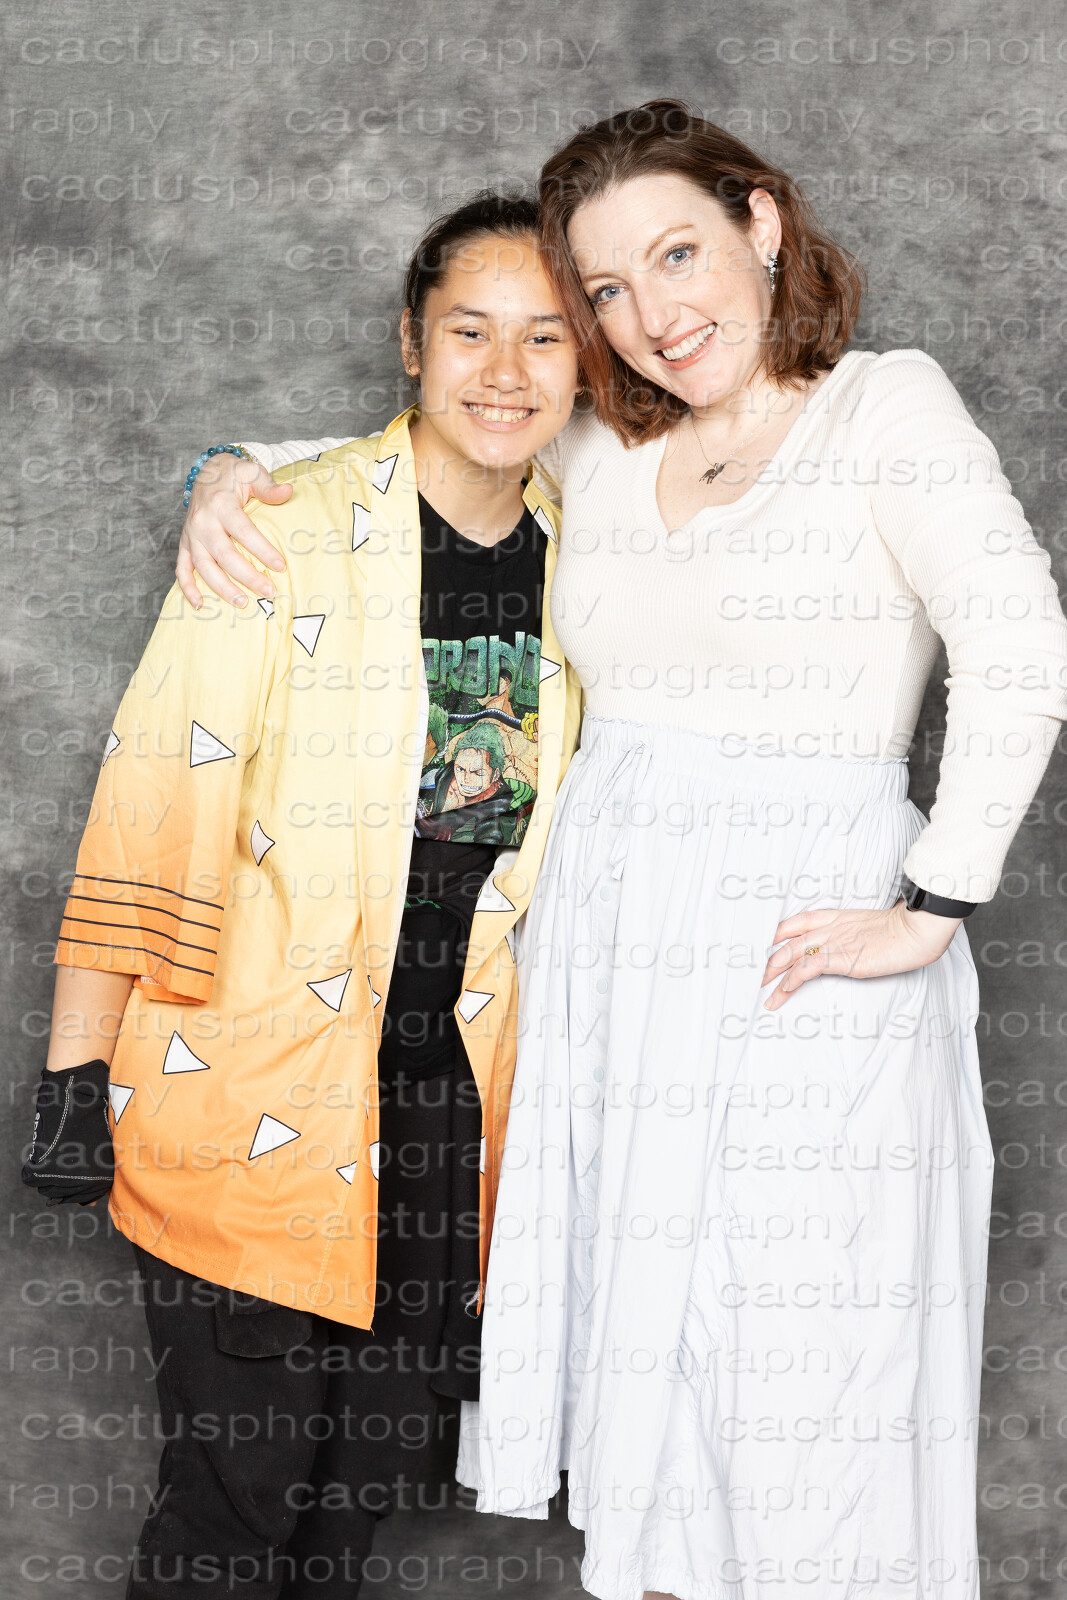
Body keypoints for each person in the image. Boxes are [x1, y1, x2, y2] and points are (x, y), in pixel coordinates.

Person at [175, 104, 1067, 1600]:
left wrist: (933, 903)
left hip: (802, 961)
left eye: (678, 254)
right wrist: (233, 467)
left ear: (760, 225)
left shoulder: (884, 408)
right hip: (606, 962)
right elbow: (416, 456)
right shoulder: (600, 439)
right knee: (653, 1398)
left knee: (800, 1385)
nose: (653, 314)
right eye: (607, 286)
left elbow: (1023, 646)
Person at [25, 193, 582, 1600]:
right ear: (410, 342)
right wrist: (76, 1067)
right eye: (470, 331)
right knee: (235, 1510)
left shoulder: (597, 563)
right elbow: (160, 787)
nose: (505, 371)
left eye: (546, 337)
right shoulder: (278, 533)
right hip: (255, 1080)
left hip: (451, 1111)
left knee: (354, 1518)